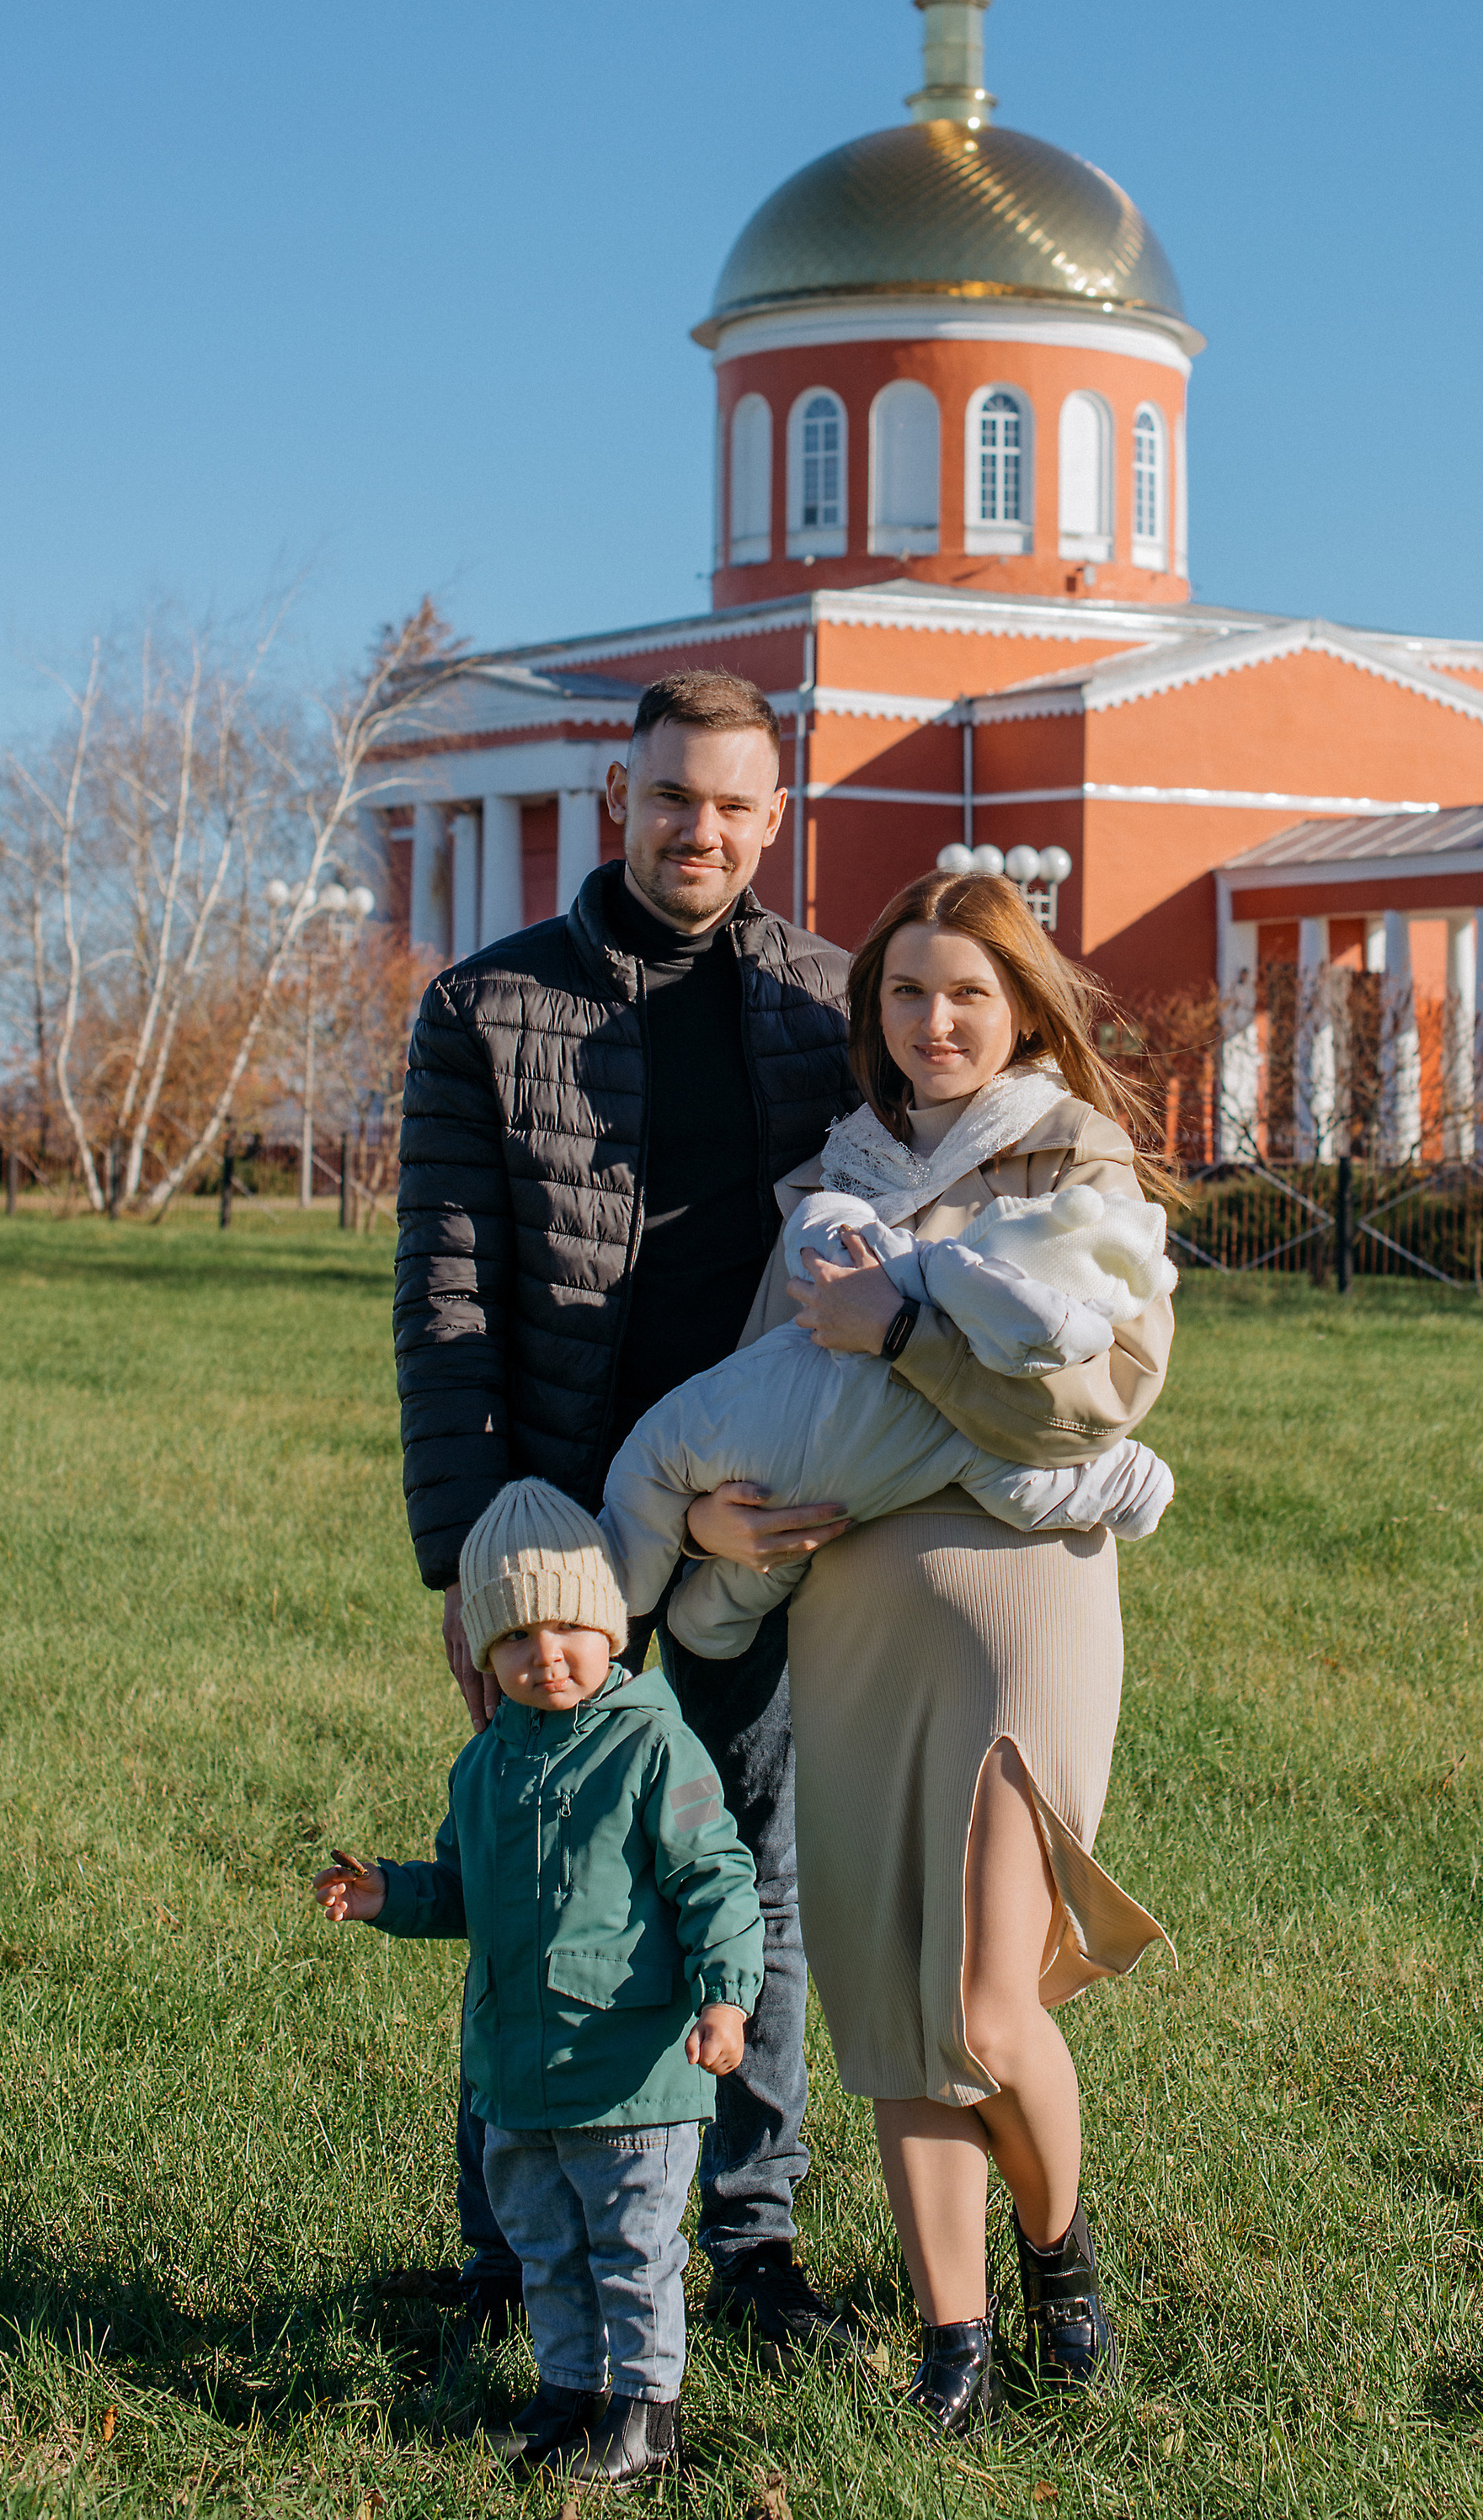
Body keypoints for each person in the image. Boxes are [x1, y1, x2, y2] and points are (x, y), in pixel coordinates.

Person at [392, 667, 854, 2352]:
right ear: (617, 792)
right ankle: (512, 2257)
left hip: (755, 1521)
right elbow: (446, 1300)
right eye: (675, 799)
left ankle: (747, 2244)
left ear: (772, 817)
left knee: (744, 1881)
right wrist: (473, 1555)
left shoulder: (825, 1004)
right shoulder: (485, 1005)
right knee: (535, 1879)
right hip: (556, 1529)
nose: (703, 833)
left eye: (736, 807)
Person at [683, 870, 1175, 2434]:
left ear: (1022, 1005)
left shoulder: (1076, 1164)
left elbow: (1097, 1405)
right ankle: (952, 2342)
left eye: (967, 991)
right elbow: (756, 1402)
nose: (936, 1020)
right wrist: (707, 1536)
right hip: (853, 1623)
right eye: (907, 993)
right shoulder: (832, 1182)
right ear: (874, 1016)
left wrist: (897, 1336)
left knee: (978, 1998)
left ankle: (1061, 2260)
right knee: (892, 2002)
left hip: (1023, 1608)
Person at [316, 1479, 762, 2492]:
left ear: (609, 1625)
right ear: (482, 1651)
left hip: (631, 2074)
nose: (544, 1653)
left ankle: (648, 2413)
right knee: (547, 2246)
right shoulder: (484, 1766)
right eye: (514, 1636)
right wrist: (391, 1893)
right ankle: (568, 2393)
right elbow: (468, 1892)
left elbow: (718, 1879)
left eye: (567, 1624)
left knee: (633, 2249)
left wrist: (725, 1996)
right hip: (517, 2071)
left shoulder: (653, 1745)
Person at [598, 1171, 1176, 1655]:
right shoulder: (971, 1411)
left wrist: (895, 1321)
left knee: (658, 1484)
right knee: (728, 1572)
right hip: (791, 1498)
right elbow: (1034, 1487)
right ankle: (660, 1621)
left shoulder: (915, 1283)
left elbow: (823, 1225)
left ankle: (610, 1606)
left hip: (759, 1463)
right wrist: (1139, 1486)